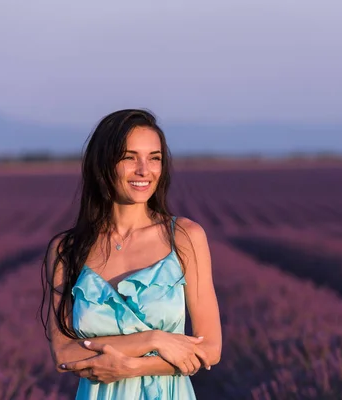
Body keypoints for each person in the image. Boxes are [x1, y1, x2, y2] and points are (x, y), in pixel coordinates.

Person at [39, 109, 222, 399]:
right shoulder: (66, 250)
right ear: (103, 164)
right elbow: (64, 354)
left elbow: (209, 349)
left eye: (154, 157)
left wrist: (131, 368)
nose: (144, 170)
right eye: (129, 157)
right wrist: (154, 339)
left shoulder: (186, 238)